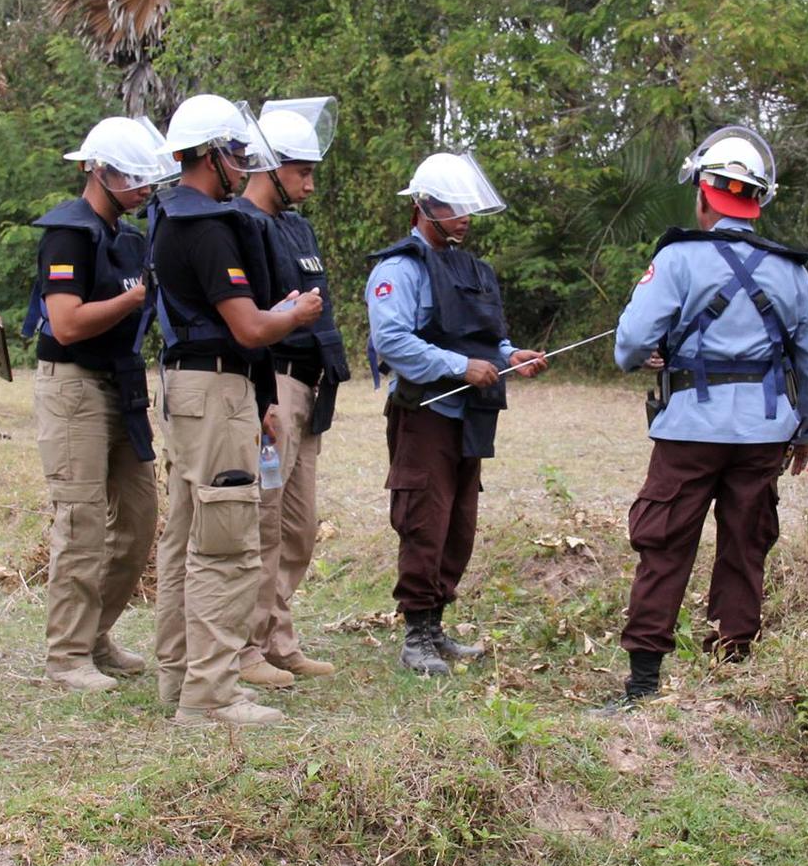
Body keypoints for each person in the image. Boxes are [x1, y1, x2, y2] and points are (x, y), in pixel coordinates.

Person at [609, 125, 808, 707]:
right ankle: (732, 677)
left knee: (664, 547)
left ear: (703, 196)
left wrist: (648, 353)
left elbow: (629, 345)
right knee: (744, 548)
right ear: (757, 202)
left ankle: (644, 686)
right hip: (763, 435)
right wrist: (806, 430)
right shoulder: (793, 271)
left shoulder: (677, 258)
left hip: (688, 433)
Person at [142, 94, 324, 728]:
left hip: (197, 387)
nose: (245, 164)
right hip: (214, 392)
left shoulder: (170, 215)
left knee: (187, 534)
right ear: (211, 155)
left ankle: (178, 674)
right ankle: (210, 693)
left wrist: (265, 401)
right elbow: (247, 328)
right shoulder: (210, 225)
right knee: (226, 542)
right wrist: (293, 316)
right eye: (237, 152)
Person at [364, 152, 548, 677]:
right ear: (423, 205)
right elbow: (393, 340)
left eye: (470, 207)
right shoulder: (398, 268)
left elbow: (486, 337)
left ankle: (437, 625)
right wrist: (458, 367)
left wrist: (510, 356)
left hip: (473, 416)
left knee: (458, 524)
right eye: (452, 206)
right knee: (424, 519)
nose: (465, 216)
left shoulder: (474, 269)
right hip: (425, 414)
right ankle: (415, 635)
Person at [21, 117, 168, 692]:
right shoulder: (68, 232)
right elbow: (66, 321)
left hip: (122, 385)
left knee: (138, 521)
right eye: (132, 178)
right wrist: (133, 298)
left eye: (147, 179)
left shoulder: (131, 237)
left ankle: (96, 634)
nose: (142, 189)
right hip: (73, 387)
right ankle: (66, 656)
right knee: (81, 524)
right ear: (97, 171)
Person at [236, 98, 347, 689]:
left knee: (299, 525)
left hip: (311, 385)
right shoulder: (241, 225)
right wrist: (261, 401)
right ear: (268, 167)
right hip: (272, 382)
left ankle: (279, 635)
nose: (308, 183)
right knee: (264, 519)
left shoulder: (297, 226)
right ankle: (247, 646)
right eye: (300, 171)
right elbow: (246, 318)